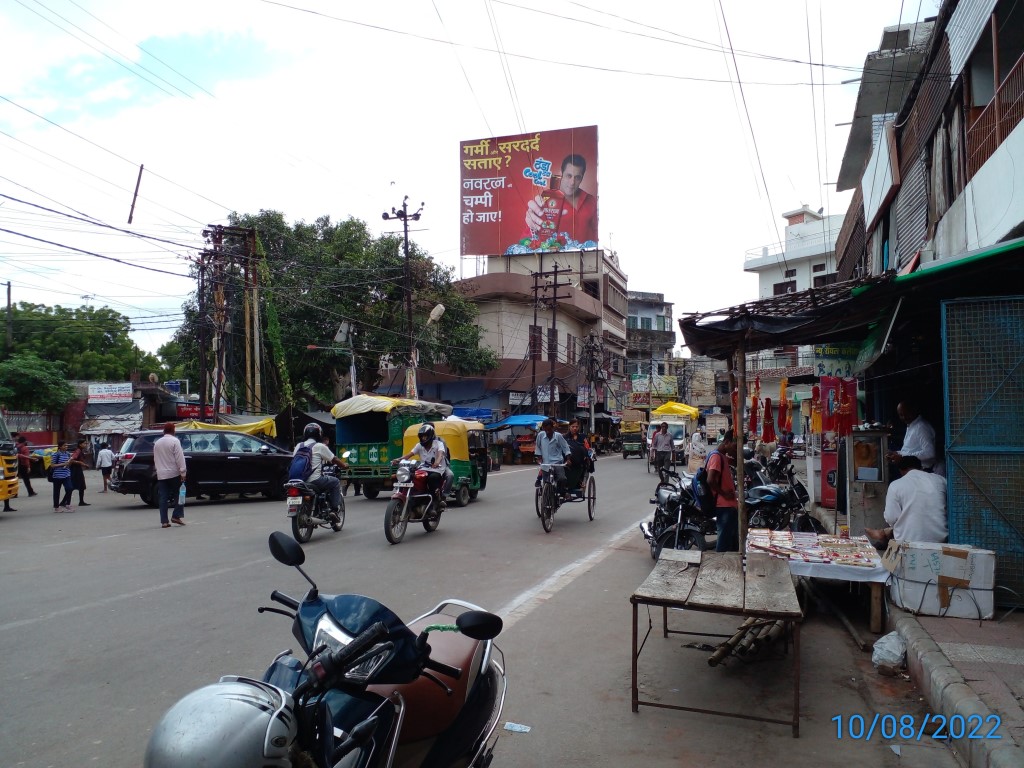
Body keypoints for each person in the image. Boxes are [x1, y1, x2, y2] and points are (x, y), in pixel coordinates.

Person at [865, 455, 947, 547]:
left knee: (902, 522)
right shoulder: (941, 480)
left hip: (908, 541)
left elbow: (890, 518)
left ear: (901, 470)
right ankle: (883, 533)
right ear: (921, 467)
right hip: (941, 538)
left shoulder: (896, 485)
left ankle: (883, 534)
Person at [523, 154, 598, 245]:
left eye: (577, 177)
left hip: (586, 257)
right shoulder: (545, 199)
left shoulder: (591, 200)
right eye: (568, 176)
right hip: (556, 257)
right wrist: (531, 226)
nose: (572, 182)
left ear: (582, 178)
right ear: (561, 173)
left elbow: (597, 233)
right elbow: (528, 238)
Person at [294, 423, 346, 524]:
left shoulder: (298, 446)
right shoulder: (319, 446)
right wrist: (344, 465)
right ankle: (334, 511)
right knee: (335, 482)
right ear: (319, 434)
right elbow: (333, 459)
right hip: (315, 480)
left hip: (298, 480)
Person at [394, 423, 449, 509]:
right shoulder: (419, 445)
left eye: (425, 436)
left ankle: (434, 502)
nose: (423, 438)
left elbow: (440, 454)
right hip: (424, 468)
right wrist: (398, 459)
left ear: (430, 435)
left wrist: (437, 462)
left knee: (433, 478)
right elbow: (409, 455)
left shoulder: (438, 443)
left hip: (437, 469)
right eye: (422, 436)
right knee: (412, 477)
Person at [707, 429, 739, 552]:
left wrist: (736, 452)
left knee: (731, 541)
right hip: (723, 505)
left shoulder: (723, 456)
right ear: (726, 442)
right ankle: (720, 568)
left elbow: (737, 462)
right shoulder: (716, 457)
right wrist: (724, 493)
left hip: (729, 505)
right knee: (724, 543)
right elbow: (710, 480)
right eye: (734, 446)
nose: (735, 449)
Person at [886, 400, 936, 471]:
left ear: (914, 410)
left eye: (906, 413)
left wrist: (903, 456)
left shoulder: (921, 427)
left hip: (922, 471)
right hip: (911, 470)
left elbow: (930, 453)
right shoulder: (911, 425)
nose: (904, 417)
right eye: (901, 415)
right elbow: (909, 450)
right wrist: (897, 453)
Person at [154, 423, 187, 528]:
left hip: (161, 474)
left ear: (164, 430)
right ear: (173, 430)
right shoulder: (175, 441)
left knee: (163, 497)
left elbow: (155, 459)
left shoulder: (157, 443)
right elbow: (180, 458)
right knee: (180, 494)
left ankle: (164, 521)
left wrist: (159, 470)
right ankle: (176, 515)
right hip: (174, 473)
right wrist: (183, 472)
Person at [534, 418, 572, 494]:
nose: (547, 432)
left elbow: (565, 447)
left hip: (557, 462)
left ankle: (561, 492)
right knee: (546, 483)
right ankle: (546, 501)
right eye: (546, 430)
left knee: (562, 478)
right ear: (543, 429)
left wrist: (568, 459)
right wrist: (539, 458)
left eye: (549, 430)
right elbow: (538, 447)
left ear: (553, 428)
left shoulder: (558, 436)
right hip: (546, 463)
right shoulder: (540, 435)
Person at [564, 419, 592, 492]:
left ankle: (582, 482)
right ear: (569, 427)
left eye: (576, 426)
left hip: (580, 460)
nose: (575, 428)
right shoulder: (564, 437)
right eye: (573, 426)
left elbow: (587, 448)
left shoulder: (583, 437)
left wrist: (586, 455)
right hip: (567, 459)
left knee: (586, 464)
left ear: (579, 427)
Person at [50, 439, 75, 513]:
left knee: (69, 488)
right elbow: (52, 465)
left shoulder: (67, 454)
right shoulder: (56, 454)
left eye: (66, 445)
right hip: (57, 476)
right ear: (60, 447)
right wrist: (63, 464)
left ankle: (67, 504)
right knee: (57, 491)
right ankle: (56, 507)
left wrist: (70, 462)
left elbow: (68, 464)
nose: (66, 446)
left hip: (66, 474)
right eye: (64, 445)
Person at [69, 438, 91, 506]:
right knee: (72, 486)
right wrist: (83, 464)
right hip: (75, 471)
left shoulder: (80, 450)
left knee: (81, 486)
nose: (85, 445)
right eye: (84, 443)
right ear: (80, 444)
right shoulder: (78, 451)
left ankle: (81, 501)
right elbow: (72, 460)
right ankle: (65, 502)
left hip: (78, 470)